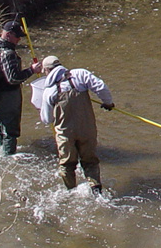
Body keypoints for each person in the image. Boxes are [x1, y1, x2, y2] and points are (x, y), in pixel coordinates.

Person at [38, 55, 115, 194]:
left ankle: (71, 192)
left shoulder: (48, 91)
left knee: (67, 165)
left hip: (65, 134)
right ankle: (96, 191)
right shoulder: (79, 74)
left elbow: (46, 119)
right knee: (90, 161)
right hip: (87, 129)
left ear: (47, 70)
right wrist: (108, 102)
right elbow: (101, 87)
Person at [0, 19, 42, 156]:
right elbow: (13, 79)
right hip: (8, 96)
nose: (19, 39)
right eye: (17, 36)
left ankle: (1, 149)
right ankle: (8, 155)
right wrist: (32, 70)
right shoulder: (8, 53)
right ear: (8, 35)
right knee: (10, 129)